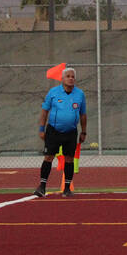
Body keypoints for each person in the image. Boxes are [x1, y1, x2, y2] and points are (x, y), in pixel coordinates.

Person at [33, 67, 87, 198]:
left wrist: (83, 132)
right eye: (68, 76)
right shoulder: (53, 92)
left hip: (71, 132)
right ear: (62, 79)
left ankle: (67, 188)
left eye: (73, 76)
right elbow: (45, 111)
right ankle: (42, 186)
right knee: (48, 157)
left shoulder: (80, 94)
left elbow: (83, 114)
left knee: (69, 159)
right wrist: (41, 129)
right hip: (54, 131)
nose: (71, 78)